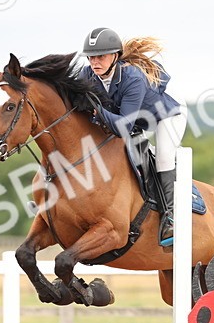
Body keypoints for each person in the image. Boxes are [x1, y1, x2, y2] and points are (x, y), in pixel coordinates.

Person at [77, 26, 188, 247]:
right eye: (91, 57)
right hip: (133, 119)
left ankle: (171, 217)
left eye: (101, 56)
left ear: (115, 56)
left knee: (165, 157)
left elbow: (122, 128)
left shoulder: (132, 78)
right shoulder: (87, 75)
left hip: (166, 115)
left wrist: (97, 111)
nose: (95, 62)